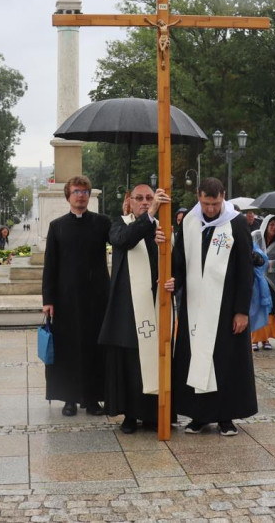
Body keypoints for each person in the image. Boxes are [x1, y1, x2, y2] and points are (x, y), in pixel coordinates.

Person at [168, 177, 256, 436]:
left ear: (223, 197)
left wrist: (242, 310)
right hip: (194, 306)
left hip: (226, 307)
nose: (210, 210)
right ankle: (199, 415)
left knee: (224, 361)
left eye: (215, 204)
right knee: (196, 359)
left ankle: (226, 417)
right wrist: (174, 280)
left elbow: (245, 270)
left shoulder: (236, 223)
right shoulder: (190, 223)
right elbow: (180, 262)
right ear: (198, 196)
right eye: (206, 203)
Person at [98, 183, 169, 434]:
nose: (145, 202)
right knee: (129, 363)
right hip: (126, 309)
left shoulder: (161, 228)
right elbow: (124, 240)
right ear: (129, 201)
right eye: (139, 198)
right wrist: (150, 218)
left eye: (149, 198)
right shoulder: (119, 224)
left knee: (152, 360)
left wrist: (171, 271)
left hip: (154, 304)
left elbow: (174, 263)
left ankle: (152, 414)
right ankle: (129, 415)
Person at [41, 175, 111, 416]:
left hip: (97, 298)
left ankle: (93, 399)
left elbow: (122, 241)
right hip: (67, 299)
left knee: (94, 348)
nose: (81, 196)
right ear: (68, 196)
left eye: (85, 192)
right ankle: (69, 399)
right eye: (76, 192)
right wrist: (48, 300)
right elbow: (50, 266)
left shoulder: (103, 223)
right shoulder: (57, 226)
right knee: (68, 350)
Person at [250, 215, 275, 351]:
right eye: (271, 224)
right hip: (255, 278)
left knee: (269, 307)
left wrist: (270, 264)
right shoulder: (255, 236)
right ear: (266, 224)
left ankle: (265, 339)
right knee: (255, 306)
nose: (274, 227)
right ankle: (253, 339)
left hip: (271, 280)